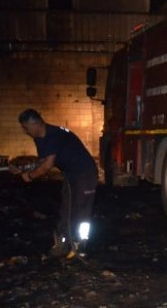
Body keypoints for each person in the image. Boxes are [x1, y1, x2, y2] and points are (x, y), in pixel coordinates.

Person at [9, 109, 99, 259]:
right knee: (67, 208)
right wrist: (23, 168)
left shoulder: (54, 135)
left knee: (81, 211)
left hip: (85, 174)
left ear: (36, 123)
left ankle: (80, 246)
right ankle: (62, 244)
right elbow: (42, 161)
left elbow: (48, 165)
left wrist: (30, 176)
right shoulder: (40, 138)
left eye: (26, 127)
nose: (25, 131)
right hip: (71, 175)